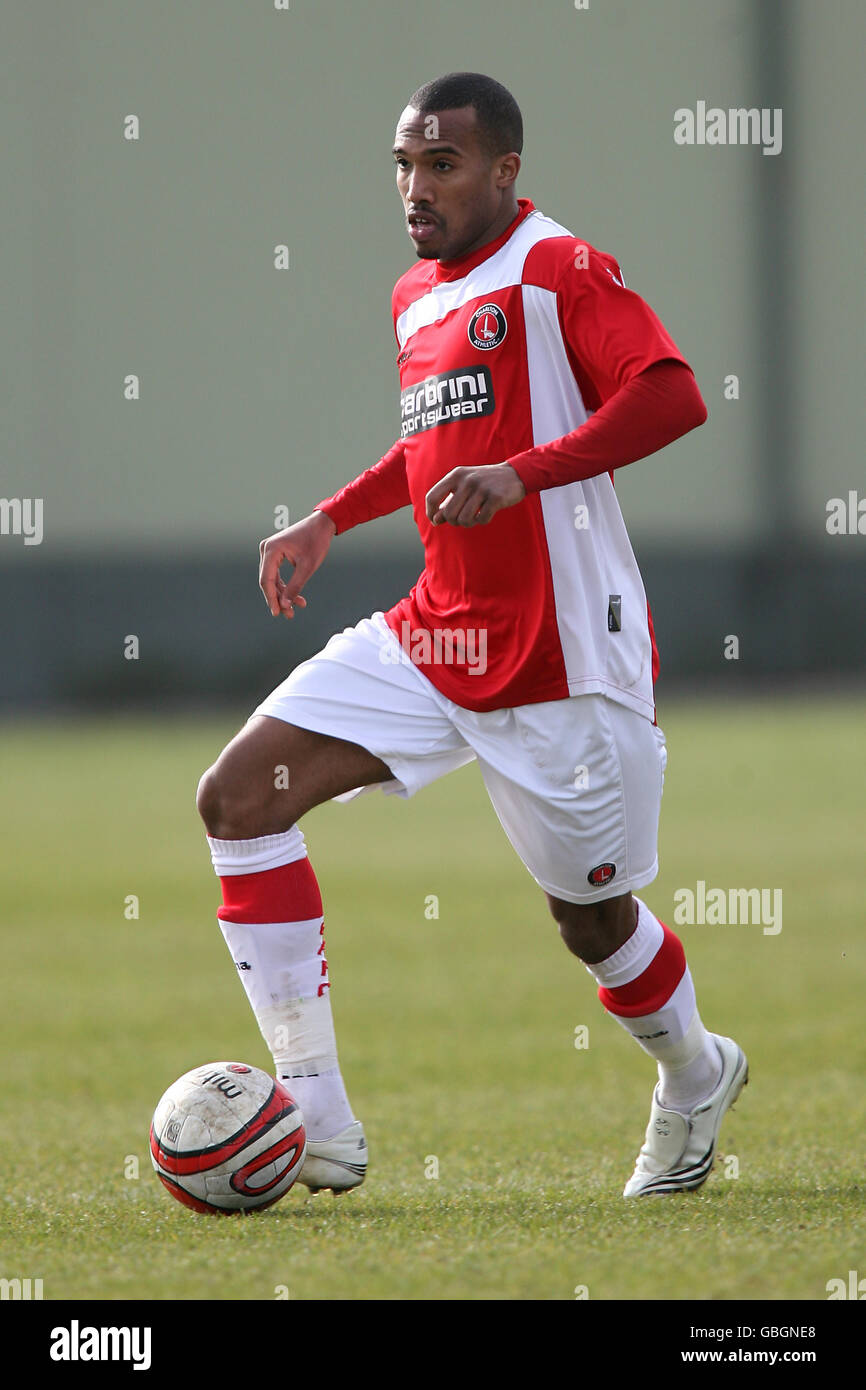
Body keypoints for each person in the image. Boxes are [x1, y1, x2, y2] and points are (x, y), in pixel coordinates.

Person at [196, 72, 747, 1198]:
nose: (414, 185)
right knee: (238, 797)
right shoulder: (414, 294)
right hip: (430, 637)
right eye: (402, 164)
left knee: (589, 919)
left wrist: (522, 475)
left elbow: (671, 393)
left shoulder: (557, 266)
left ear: (504, 171)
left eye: (440, 163)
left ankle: (694, 1075)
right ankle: (318, 1118)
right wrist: (328, 518)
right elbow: (437, 445)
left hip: (557, 656)